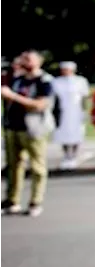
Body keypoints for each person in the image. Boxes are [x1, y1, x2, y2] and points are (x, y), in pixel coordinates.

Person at [1, 51, 55, 216]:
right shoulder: (18, 79)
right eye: (23, 59)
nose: (24, 62)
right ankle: (12, 199)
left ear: (39, 61)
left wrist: (13, 96)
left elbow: (40, 105)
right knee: (14, 166)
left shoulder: (44, 81)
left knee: (37, 167)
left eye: (28, 59)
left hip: (34, 128)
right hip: (13, 127)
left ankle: (35, 201)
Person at [51, 61, 90, 171]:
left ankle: (73, 155)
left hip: (76, 111)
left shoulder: (80, 81)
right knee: (63, 134)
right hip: (62, 112)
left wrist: (84, 111)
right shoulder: (56, 82)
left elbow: (84, 98)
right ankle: (66, 155)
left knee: (76, 133)